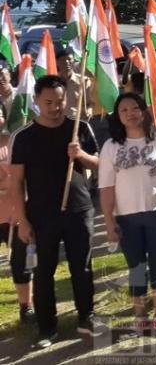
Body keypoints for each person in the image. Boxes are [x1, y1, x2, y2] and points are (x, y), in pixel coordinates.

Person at [8, 75, 102, 348]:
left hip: (78, 209)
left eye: (60, 101)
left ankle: (87, 315)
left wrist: (81, 155)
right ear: (37, 101)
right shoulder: (23, 137)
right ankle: (47, 327)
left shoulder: (79, 128)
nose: (55, 107)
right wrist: (22, 220)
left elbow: (99, 164)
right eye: (48, 102)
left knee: (82, 266)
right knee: (43, 270)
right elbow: (16, 182)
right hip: (40, 214)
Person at [99, 93, 156, 337]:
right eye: (124, 110)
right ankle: (140, 317)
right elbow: (106, 187)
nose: (130, 113)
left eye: (134, 108)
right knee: (136, 267)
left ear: (144, 110)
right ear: (117, 116)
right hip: (127, 217)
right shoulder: (111, 147)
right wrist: (109, 220)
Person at [0, 107, 33, 326]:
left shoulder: (14, 141)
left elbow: (26, 177)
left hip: (15, 214)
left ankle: (26, 305)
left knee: (21, 262)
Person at [57, 46, 94, 120]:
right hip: (57, 122)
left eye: (69, 59)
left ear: (74, 60)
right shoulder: (52, 82)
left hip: (76, 123)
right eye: (63, 60)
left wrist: (89, 111)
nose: (67, 62)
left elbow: (90, 103)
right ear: (57, 62)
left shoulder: (83, 81)